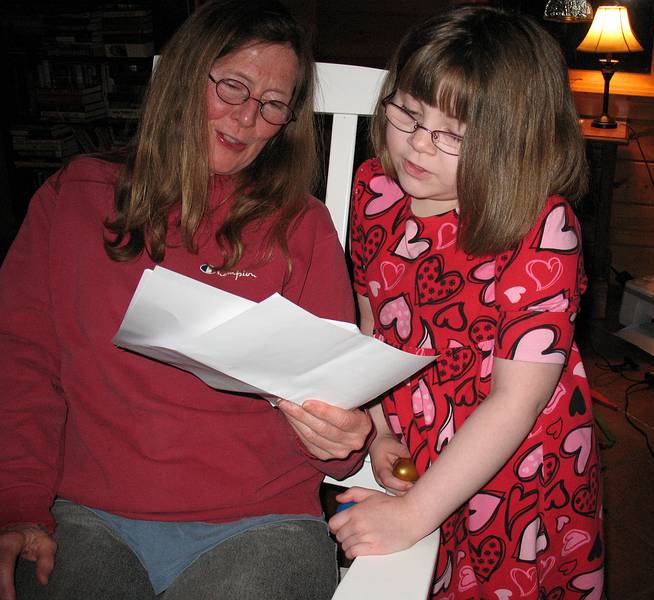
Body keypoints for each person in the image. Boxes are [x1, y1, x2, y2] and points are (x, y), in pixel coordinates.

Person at [0, 1, 374, 599]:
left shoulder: (301, 227)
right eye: (232, 86)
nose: (247, 118)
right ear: (183, 76)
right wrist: (18, 504)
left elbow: (333, 414)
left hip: (259, 523)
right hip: (83, 514)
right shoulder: (76, 197)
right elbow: (20, 361)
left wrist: (340, 439)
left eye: (273, 105)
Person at [329, 6, 605, 599]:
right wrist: (377, 428)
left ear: (515, 142)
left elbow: (516, 400)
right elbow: (373, 322)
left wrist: (413, 514)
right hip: (415, 442)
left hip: (514, 466)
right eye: (407, 112)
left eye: (454, 134)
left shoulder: (543, 230)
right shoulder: (375, 187)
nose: (419, 145)